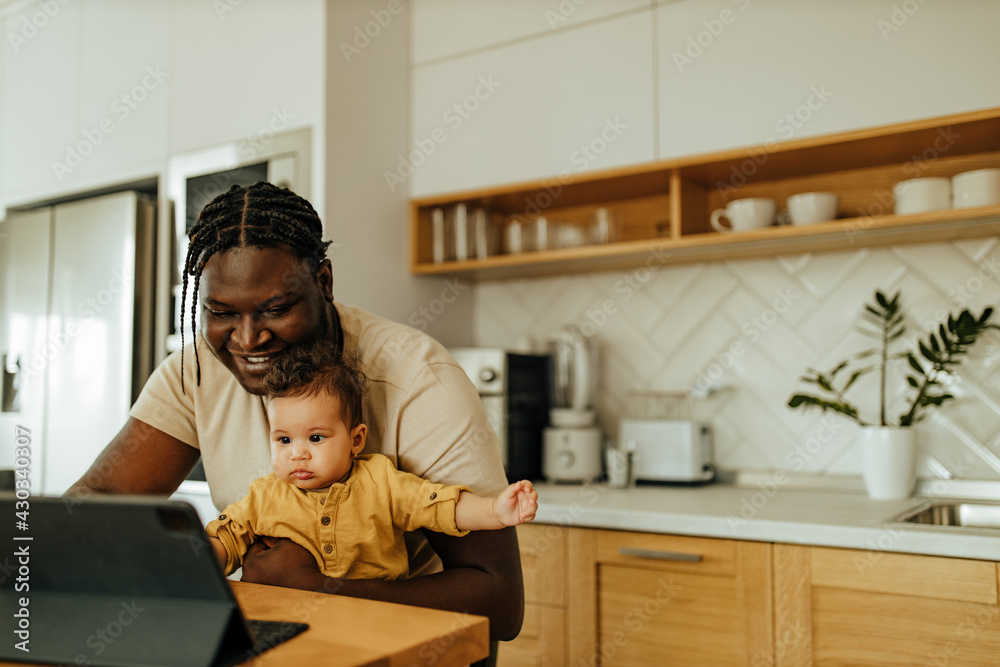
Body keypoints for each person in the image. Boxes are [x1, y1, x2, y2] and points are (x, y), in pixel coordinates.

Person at [66, 181, 525, 644]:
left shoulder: (420, 381)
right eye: (221, 313)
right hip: (279, 642)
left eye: (276, 309)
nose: (247, 340)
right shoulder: (197, 372)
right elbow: (99, 499)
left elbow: (500, 601)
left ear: (323, 282)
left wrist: (318, 591)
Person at [207, 341, 538, 580]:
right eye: (283, 440)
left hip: (379, 621)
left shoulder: (380, 480)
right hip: (294, 629)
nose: (298, 453)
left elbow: (439, 506)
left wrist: (495, 511)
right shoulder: (264, 496)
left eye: (316, 438)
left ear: (356, 440)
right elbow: (228, 537)